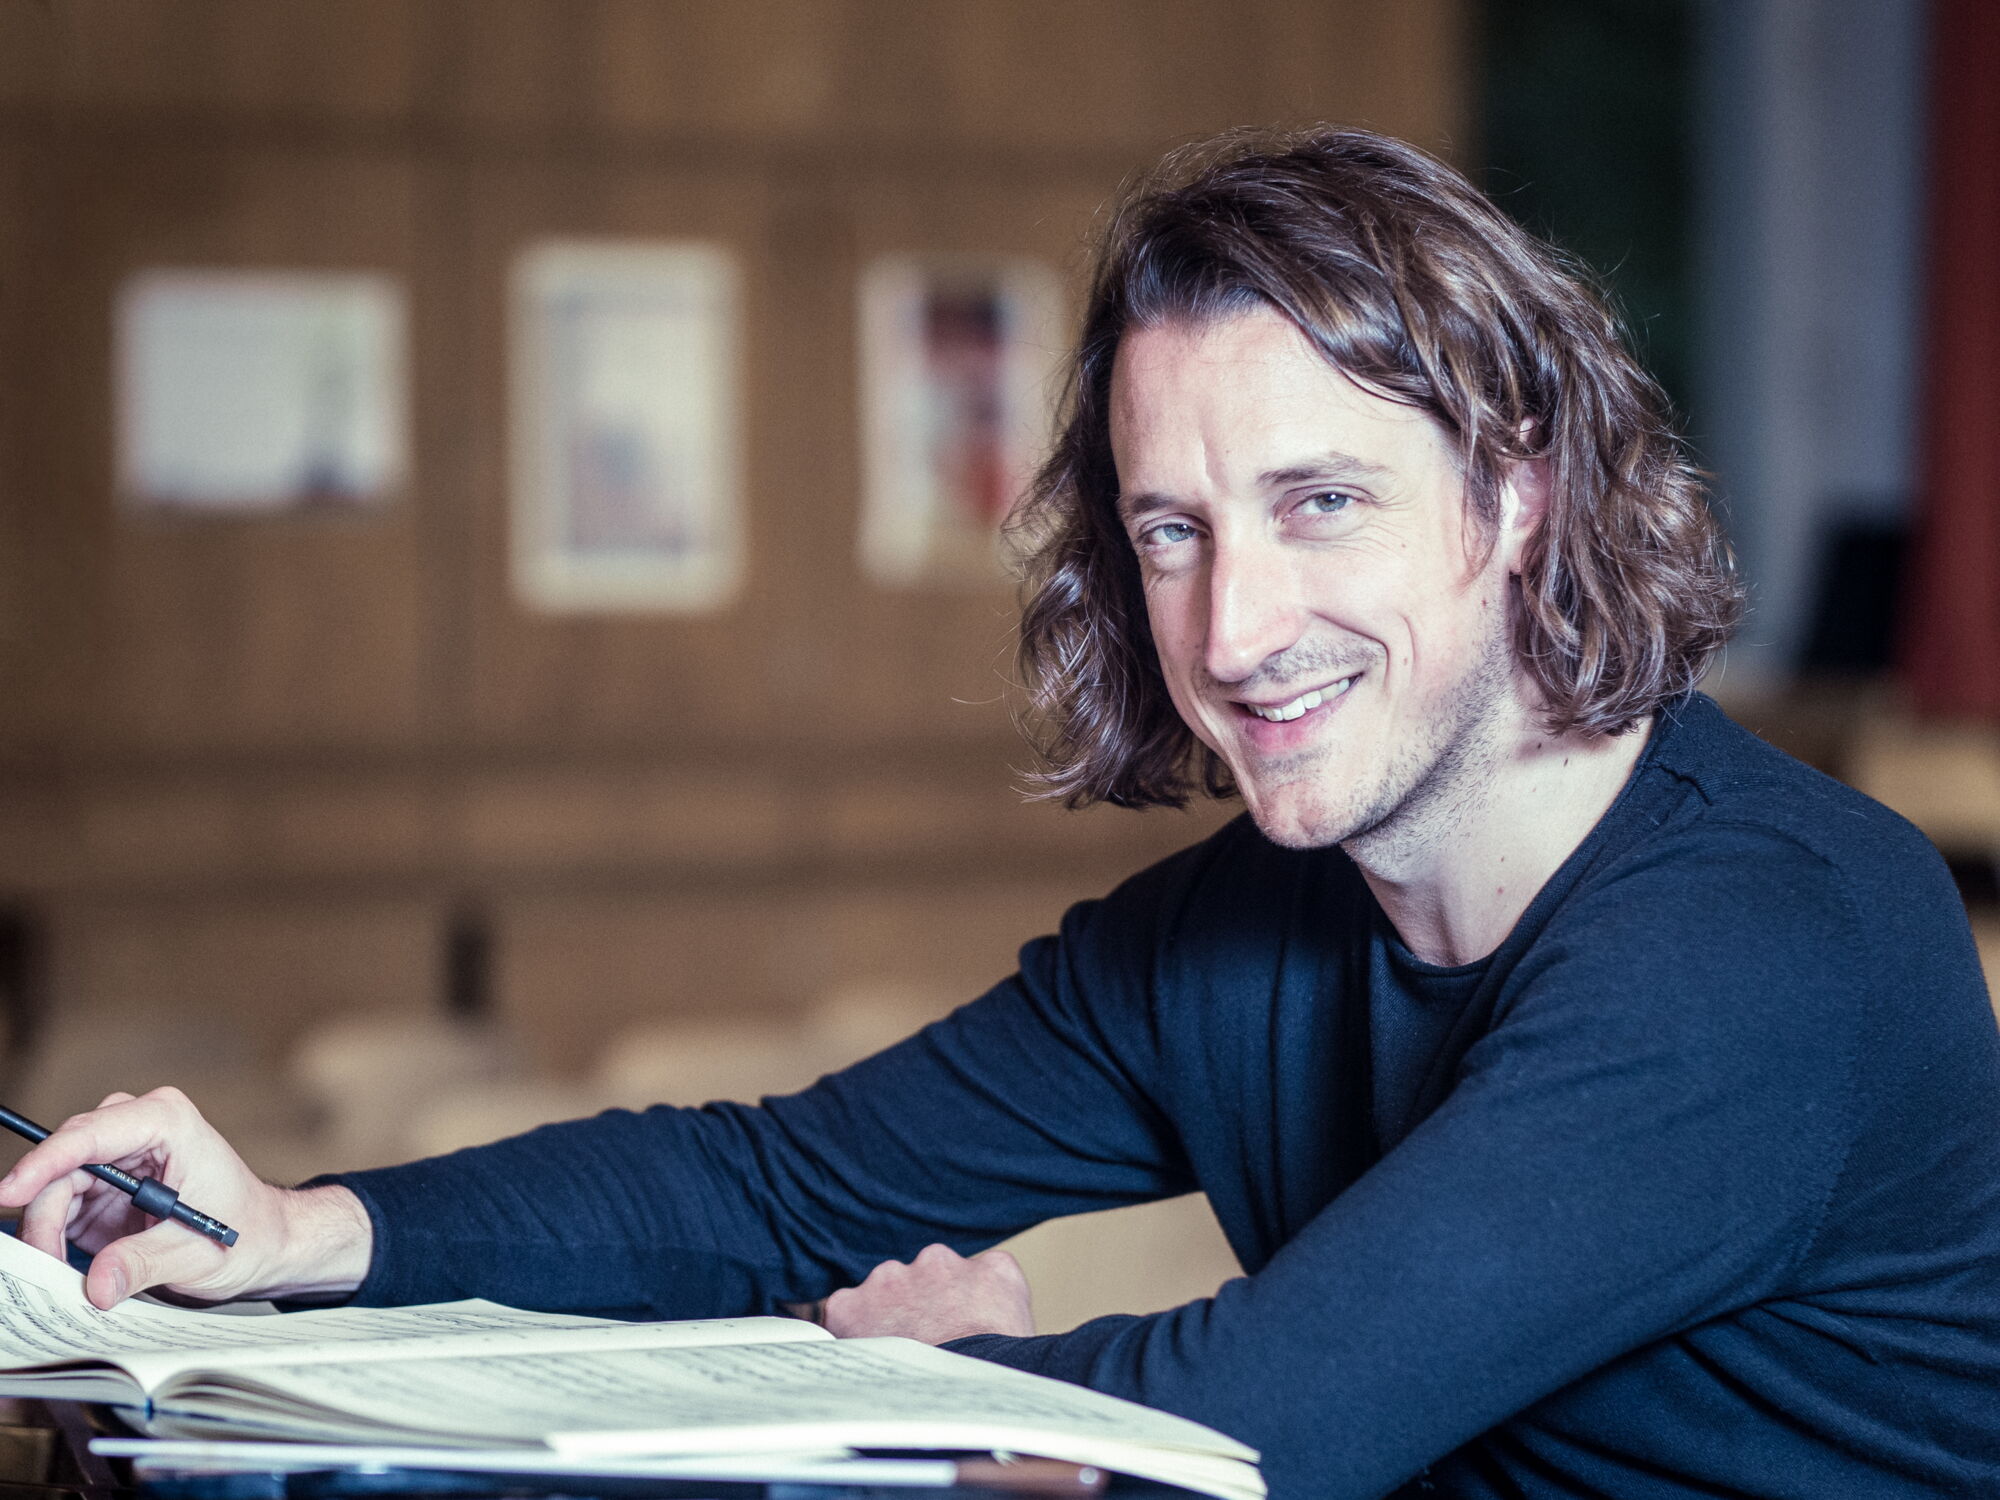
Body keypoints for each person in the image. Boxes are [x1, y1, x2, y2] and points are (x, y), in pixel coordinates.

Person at [4, 129, 1998, 1499]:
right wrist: (296, 1231)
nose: (1234, 627)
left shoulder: (1773, 943)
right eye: (1172, 531)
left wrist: (937, 1374)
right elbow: (781, 1189)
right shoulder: (1231, 933)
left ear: (1522, 498)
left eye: (1320, 503)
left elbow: (1265, 1423)